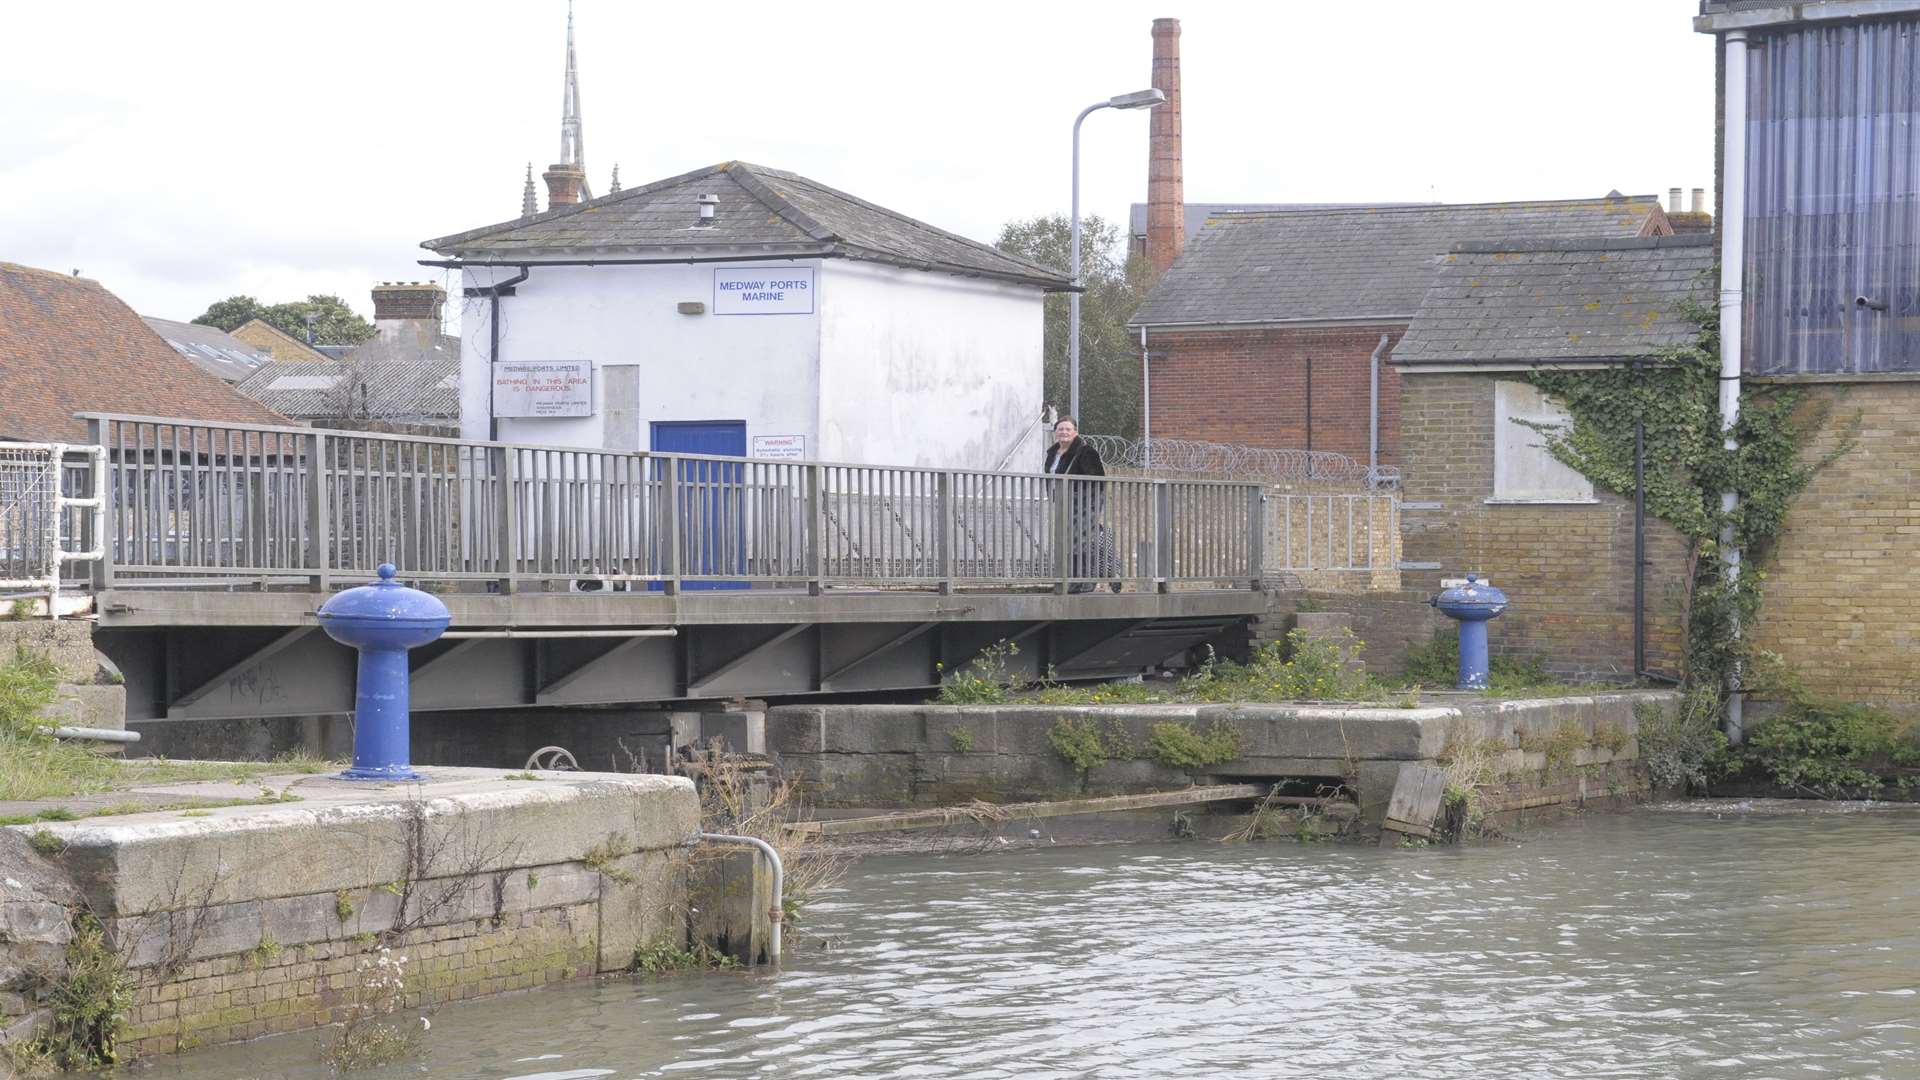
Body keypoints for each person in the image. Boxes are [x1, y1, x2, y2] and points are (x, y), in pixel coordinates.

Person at [1042, 417, 1121, 594]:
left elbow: (1097, 479)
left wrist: (1086, 501)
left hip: (1084, 504)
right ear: (1056, 432)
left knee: (1081, 543)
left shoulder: (1086, 452)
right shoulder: (1052, 453)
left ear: (1075, 432)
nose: (1064, 432)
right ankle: (1082, 577)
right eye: (1061, 429)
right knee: (1071, 543)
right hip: (1063, 504)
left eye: (1068, 429)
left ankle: (1085, 582)